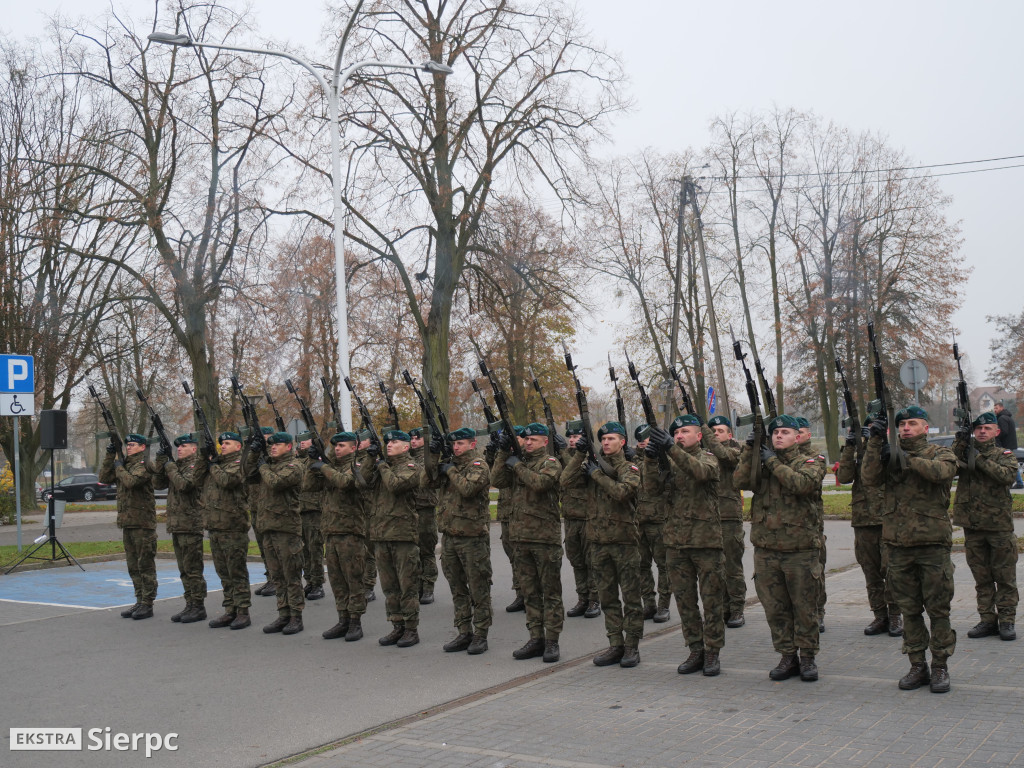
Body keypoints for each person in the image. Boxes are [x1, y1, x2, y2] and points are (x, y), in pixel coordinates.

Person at [862, 405, 957, 693]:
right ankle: (917, 665)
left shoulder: (940, 453)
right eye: (901, 424)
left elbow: (941, 473)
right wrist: (875, 441)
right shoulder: (887, 455)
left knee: (938, 610)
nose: (906, 428)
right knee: (910, 610)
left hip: (932, 545)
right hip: (898, 545)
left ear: (925, 428)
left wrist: (906, 457)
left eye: (912, 423)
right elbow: (868, 477)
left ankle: (940, 665)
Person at [736, 415, 826, 682]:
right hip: (766, 549)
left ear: (797, 437)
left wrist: (770, 460)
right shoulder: (761, 462)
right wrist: (749, 451)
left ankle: (808, 657)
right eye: (775, 433)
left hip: (800, 550)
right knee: (775, 608)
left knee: (804, 607)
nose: (778, 436)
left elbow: (802, 484)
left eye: (785, 432)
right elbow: (739, 482)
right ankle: (787, 655)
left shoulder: (812, 461)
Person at [648, 415, 724, 676]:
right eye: (675, 433)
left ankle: (712, 651)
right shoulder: (669, 460)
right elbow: (650, 489)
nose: (679, 436)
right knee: (685, 601)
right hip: (676, 543)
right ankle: (695, 649)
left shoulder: (709, 457)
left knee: (712, 600)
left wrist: (669, 447)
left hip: (706, 542)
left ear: (699, 436)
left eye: (684, 432)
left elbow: (700, 473)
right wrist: (651, 459)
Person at [564, 422, 643, 667]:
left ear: (622, 441)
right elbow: (564, 481)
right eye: (603, 439)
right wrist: (579, 454)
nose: (606, 442)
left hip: (624, 542)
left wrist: (596, 474)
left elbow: (622, 492)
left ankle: (632, 647)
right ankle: (615, 644)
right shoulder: (592, 465)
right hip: (597, 542)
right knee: (608, 597)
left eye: (611, 438)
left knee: (630, 597)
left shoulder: (629, 467)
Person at [492, 422, 564, 663]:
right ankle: (536, 637)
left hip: (545, 539)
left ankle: (552, 641)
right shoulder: (516, 461)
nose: (528, 442)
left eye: (533, 439)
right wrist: (503, 453)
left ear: (545, 441)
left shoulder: (550, 463)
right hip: (520, 537)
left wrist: (518, 465)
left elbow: (540, 484)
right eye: (526, 439)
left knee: (550, 593)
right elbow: (497, 479)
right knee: (530, 592)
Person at [952, 412, 1019, 642]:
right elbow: (950, 465)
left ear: (996, 432)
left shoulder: (1004, 455)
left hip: (998, 526)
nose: (982, 432)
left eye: (987, 428)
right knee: (981, 577)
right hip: (972, 525)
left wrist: (978, 458)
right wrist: (960, 441)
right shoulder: (965, 453)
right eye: (978, 429)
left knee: (1005, 576)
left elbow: (1006, 476)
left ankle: (1007, 620)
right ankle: (987, 619)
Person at [837, 416, 903, 637]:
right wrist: (850, 446)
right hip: (864, 521)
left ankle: (895, 614)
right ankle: (880, 615)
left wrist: (879, 443)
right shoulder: (859, 451)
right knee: (871, 573)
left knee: (891, 571)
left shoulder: (893, 447)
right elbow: (844, 476)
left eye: (877, 426)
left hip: (889, 518)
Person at [431, 427, 493, 654]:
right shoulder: (451, 465)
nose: (456, 447)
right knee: (457, 588)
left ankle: (481, 634)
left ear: (472, 444)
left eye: (460, 444)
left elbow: (468, 489)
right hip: (449, 537)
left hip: (472, 538)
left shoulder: (479, 465)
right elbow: (426, 481)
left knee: (479, 588)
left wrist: (450, 471)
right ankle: (463, 631)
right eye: (453, 444)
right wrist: (434, 456)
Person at [244, 431, 305, 635]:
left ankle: (296, 616)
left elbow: (276, 483)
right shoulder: (268, 466)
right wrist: (254, 454)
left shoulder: (294, 466)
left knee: (291, 575)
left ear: (288, 446)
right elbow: (248, 473)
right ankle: (283, 614)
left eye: (277, 444)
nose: (273, 447)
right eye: (270, 445)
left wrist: (262, 465)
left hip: (287, 529)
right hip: (268, 527)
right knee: (277, 575)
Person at [367, 429, 423, 648]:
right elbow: (361, 481)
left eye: (395, 442)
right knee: (389, 586)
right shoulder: (383, 467)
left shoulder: (411, 467)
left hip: (402, 534)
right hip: (381, 534)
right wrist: (370, 458)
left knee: (407, 584)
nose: (389, 445)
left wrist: (381, 465)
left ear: (406, 446)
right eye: (387, 443)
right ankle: (396, 625)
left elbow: (396, 485)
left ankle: (411, 629)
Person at [314, 432, 369, 642]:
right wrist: (315, 461)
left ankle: (355, 621)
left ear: (353, 448)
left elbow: (345, 482)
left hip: (350, 532)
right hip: (331, 531)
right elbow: (309, 485)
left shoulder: (358, 465)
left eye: (342, 446)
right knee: (337, 580)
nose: (337, 449)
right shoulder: (331, 466)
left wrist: (324, 467)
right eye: (335, 446)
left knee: (353, 579)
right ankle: (342, 619)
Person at [100, 433, 158, 620]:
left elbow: (131, 482)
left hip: (143, 523)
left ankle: (147, 604)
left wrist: (119, 467)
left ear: (142, 447)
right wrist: (111, 456)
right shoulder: (125, 464)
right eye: (127, 445)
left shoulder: (144, 465)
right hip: (128, 522)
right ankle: (139, 600)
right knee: (133, 565)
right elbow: (104, 477)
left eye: (133, 444)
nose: (129, 447)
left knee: (145, 565)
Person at [154, 433, 208, 624]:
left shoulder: (196, 466)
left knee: (193, 569)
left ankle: (199, 606)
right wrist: (162, 461)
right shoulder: (177, 466)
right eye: (178, 447)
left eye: (184, 447)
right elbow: (158, 483)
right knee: (183, 569)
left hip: (191, 524)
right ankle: (190, 603)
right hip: (177, 525)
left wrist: (169, 465)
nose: (180, 449)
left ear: (194, 449)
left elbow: (184, 485)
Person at [203, 431, 253, 629]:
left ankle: (243, 612)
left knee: (236, 572)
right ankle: (230, 609)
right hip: (216, 526)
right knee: (223, 572)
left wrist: (213, 465)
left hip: (233, 527)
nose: (223, 446)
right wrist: (206, 459)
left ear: (239, 447)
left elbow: (228, 481)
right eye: (222, 443)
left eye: (228, 443)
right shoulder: (218, 464)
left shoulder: (240, 464)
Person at [702, 415, 745, 628]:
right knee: (713, 568)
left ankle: (737, 608)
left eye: (720, 431)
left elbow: (724, 456)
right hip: (708, 518)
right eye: (713, 431)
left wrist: (706, 434)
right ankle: (722, 608)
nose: (716, 434)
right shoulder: (705, 453)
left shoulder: (736, 451)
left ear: (729, 434)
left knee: (732, 567)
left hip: (729, 516)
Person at [559, 421, 601, 620]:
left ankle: (594, 599)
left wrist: (566, 453)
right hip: (570, 518)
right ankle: (582, 598)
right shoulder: (568, 456)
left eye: (576, 437)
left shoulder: (591, 458)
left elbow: (571, 475)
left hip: (588, 518)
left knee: (591, 561)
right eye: (571, 437)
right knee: (576, 560)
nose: (572, 440)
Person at [486, 425, 526, 612]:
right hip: (506, 513)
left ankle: (532, 594)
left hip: (523, 515)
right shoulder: (505, 455)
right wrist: (496, 450)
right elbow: (494, 476)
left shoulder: (525, 456)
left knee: (525, 557)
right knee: (513, 556)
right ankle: (520, 593)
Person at [634, 424, 670, 624]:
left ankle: (664, 606)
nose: (642, 439)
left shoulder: (662, 458)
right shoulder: (630, 458)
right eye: (639, 437)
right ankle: (649, 603)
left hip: (659, 520)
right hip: (638, 521)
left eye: (646, 436)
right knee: (641, 565)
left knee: (664, 565)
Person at [795, 416, 828, 633]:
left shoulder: (814, 456)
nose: (797, 434)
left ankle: (818, 611)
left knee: (815, 572)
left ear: (808, 434)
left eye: (801, 431)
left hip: (812, 523)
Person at [409, 427, 439, 604]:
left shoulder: (429, 456)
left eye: (417, 438)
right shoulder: (409, 456)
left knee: (426, 550)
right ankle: (417, 585)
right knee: (413, 551)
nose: (413, 441)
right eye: (412, 438)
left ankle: (428, 587)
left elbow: (423, 474)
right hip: (410, 509)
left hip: (425, 508)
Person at [296, 434, 326, 601]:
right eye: (300, 440)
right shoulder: (300, 460)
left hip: (314, 510)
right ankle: (309, 580)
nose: (302, 442)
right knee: (305, 549)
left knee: (315, 549)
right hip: (300, 509)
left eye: (305, 439)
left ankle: (318, 583)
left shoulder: (317, 459)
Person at [993, 401, 1022, 488]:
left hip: (1005, 445)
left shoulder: (1002, 418)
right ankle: (1019, 482)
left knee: (1008, 464)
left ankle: (1017, 483)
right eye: (994, 408)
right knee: (1011, 463)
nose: (994, 410)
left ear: (1001, 408)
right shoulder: (1008, 417)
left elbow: (1004, 431)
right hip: (1010, 444)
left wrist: (996, 436)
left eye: (996, 408)